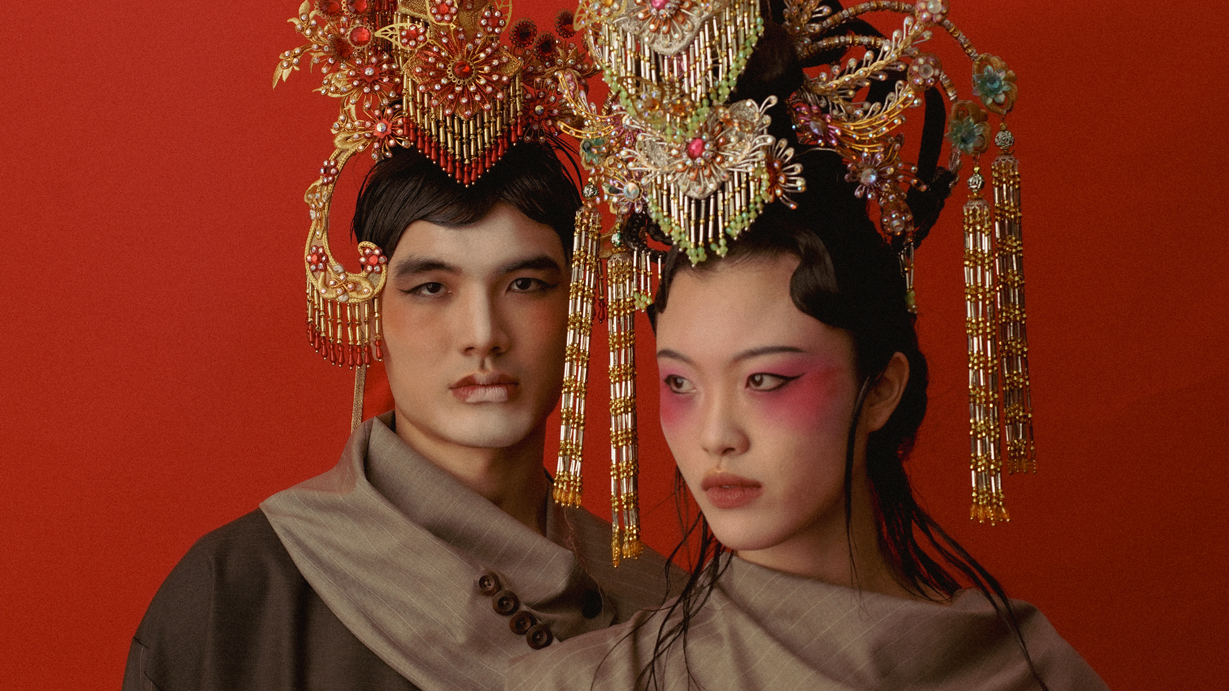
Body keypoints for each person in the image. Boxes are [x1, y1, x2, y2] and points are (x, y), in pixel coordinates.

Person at [505, 149, 1108, 690]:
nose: (716, 435)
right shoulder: (588, 683)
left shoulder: (1025, 672)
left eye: (764, 380)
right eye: (681, 383)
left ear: (881, 391)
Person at [122, 139, 674, 690]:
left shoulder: (669, 610)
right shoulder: (237, 597)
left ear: (577, 304)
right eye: (432, 288)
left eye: (524, 285)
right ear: (370, 313)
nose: (483, 335)